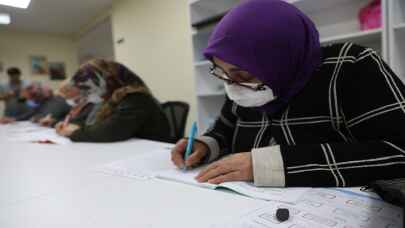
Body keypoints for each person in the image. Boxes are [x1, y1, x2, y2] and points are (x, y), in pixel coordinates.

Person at [171, 0, 405, 187]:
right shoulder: (238, 82)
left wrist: (272, 165)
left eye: (242, 74)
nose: (232, 85)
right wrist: (204, 145)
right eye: (222, 73)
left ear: (279, 60)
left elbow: (399, 151)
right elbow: (226, 128)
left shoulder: (351, 66)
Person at [55, 59, 172, 143]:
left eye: (91, 89)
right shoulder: (110, 98)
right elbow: (96, 123)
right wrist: (72, 125)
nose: (89, 95)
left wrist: (73, 133)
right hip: (129, 149)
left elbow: (110, 131)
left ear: (108, 81)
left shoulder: (136, 97)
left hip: (150, 152)